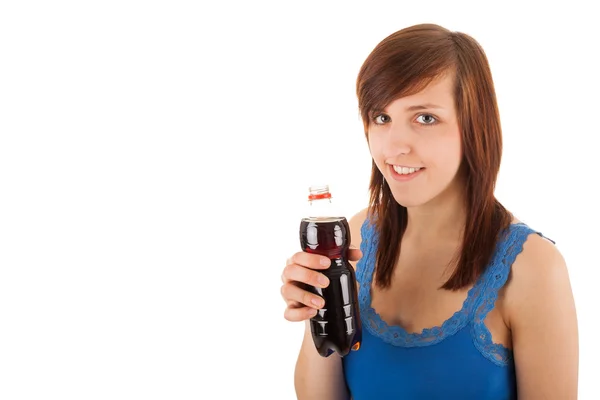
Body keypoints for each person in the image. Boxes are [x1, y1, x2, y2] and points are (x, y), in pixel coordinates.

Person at [280, 23, 579, 399]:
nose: (394, 146)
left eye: (425, 118)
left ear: (474, 126)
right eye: (381, 117)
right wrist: (320, 314)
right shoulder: (354, 238)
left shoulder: (533, 268)